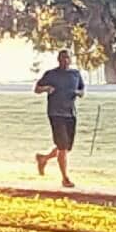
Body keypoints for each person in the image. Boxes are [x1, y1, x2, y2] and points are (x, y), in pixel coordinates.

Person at [33, 49, 85, 187]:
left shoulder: (75, 74)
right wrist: (46, 89)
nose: (65, 61)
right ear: (58, 60)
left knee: (66, 148)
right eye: (62, 58)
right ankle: (65, 178)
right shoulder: (51, 74)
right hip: (56, 113)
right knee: (62, 147)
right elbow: (37, 88)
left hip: (70, 114)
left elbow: (82, 90)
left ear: (71, 59)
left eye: (67, 58)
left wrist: (78, 93)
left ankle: (43, 158)